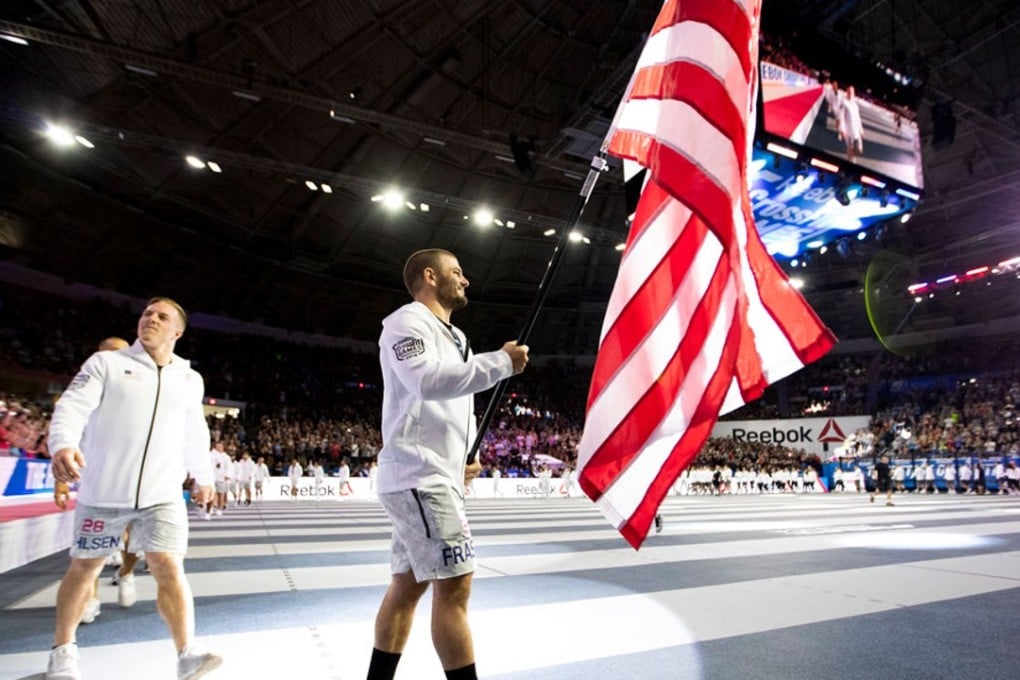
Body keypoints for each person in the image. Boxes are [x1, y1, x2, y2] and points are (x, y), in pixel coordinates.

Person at [367, 249, 528, 680]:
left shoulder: (457, 338)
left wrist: (461, 464)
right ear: (430, 276)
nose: (466, 280)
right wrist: (500, 363)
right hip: (421, 478)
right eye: (456, 272)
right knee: (455, 587)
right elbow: (426, 381)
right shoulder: (406, 322)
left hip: (436, 475)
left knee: (407, 586)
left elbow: (452, 410)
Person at [45, 297, 221, 680]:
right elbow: (72, 406)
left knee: (168, 565)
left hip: (163, 494)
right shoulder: (107, 364)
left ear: (177, 332)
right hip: (104, 492)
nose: (150, 320)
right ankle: (63, 652)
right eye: (146, 314)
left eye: (161, 317)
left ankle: (187, 652)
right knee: (85, 568)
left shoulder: (190, 379)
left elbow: (195, 433)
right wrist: (62, 442)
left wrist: (203, 476)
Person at [841, 85, 864, 162]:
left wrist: (861, 130)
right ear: (847, 92)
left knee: (859, 150)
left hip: (856, 131)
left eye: (852, 91)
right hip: (849, 131)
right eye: (849, 91)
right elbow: (841, 117)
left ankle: (852, 160)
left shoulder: (855, 105)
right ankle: (851, 163)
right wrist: (842, 130)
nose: (850, 93)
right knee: (850, 150)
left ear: (854, 93)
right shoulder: (844, 102)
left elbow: (858, 118)